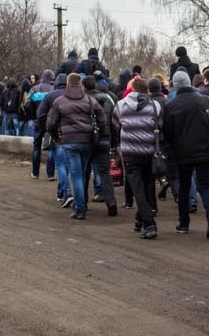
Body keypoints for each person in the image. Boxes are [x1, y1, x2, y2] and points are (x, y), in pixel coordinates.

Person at [162, 70, 209, 239]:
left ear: (175, 85)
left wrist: (171, 153)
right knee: (205, 184)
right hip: (205, 150)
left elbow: (167, 133)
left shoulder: (171, 106)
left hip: (182, 153)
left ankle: (184, 223)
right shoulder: (206, 101)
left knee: (184, 186)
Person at [46, 73, 104, 220]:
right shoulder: (90, 100)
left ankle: (79, 208)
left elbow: (50, 124)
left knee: (76, 175)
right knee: (82, 173)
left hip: (69, 141)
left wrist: (56, 137)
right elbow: (101, 117)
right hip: (87, 141)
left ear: (67, 84)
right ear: (81, 84)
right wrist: (98, 132)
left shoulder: (59, 101)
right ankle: (81, 203)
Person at [113, 77, 163, 239]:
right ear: (147, 90)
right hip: (149, 152)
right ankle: (139, 219)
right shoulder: (155, 106)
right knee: (148, 186)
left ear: (132, 89)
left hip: (129, 152)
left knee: (138, 190)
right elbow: (160, 127)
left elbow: (115, 126)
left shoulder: (121, 105)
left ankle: (150, 224)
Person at [83, 75, 118, 215]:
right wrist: (113, 141)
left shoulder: (83, 100)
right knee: (105, 171)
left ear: (84, 87)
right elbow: (114, 122)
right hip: (105, 138)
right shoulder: (107, 99)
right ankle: (111, 201)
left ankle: (83, 202)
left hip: (88, 139)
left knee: (85, 171)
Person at [26, 70, 54, 179]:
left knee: (37, 146)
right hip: (50, 122)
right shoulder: (53, 89)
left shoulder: (34, 89)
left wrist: (33, 116)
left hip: (37, 121)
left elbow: (27, 105)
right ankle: (50, 174)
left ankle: (35, 173)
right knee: (51, 147)